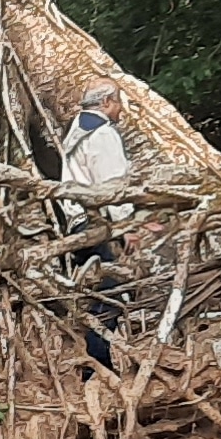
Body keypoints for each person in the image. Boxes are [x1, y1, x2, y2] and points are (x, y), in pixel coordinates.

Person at [58, 78, 133, 369]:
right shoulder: (102, 134)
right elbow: (111, 186)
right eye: (117, 102)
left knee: (96, 295)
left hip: (77, 225)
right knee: (112, 293)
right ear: (105, 103)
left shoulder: (76, 130)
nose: (120, 110)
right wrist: (127, 225)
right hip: (96, 224)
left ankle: (96, 362)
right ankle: (97, 364)